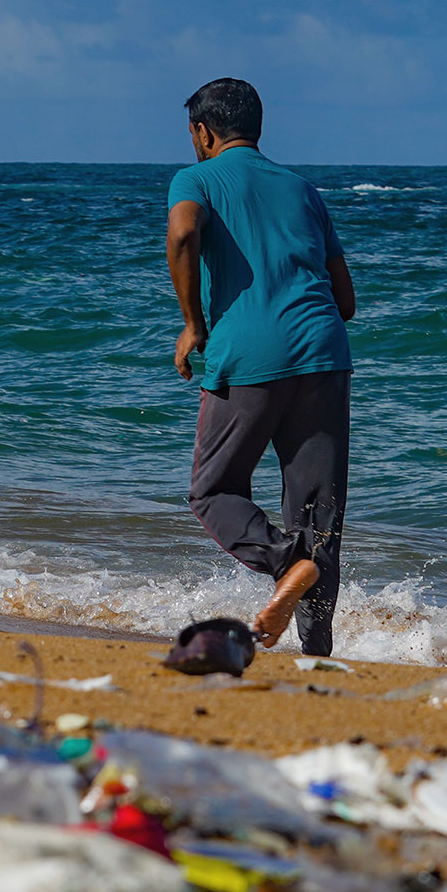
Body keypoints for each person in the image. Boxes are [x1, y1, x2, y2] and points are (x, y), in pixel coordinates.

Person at [165, 77, 358, 653]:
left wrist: (193, 322)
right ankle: (316, 657)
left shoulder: (195, 178)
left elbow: (181, 232)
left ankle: (284, 560)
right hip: (324, 352)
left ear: (203, 132)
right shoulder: (302, 189)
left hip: (250, 354)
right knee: (318, 515)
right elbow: (346, 301)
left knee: (213, 491)